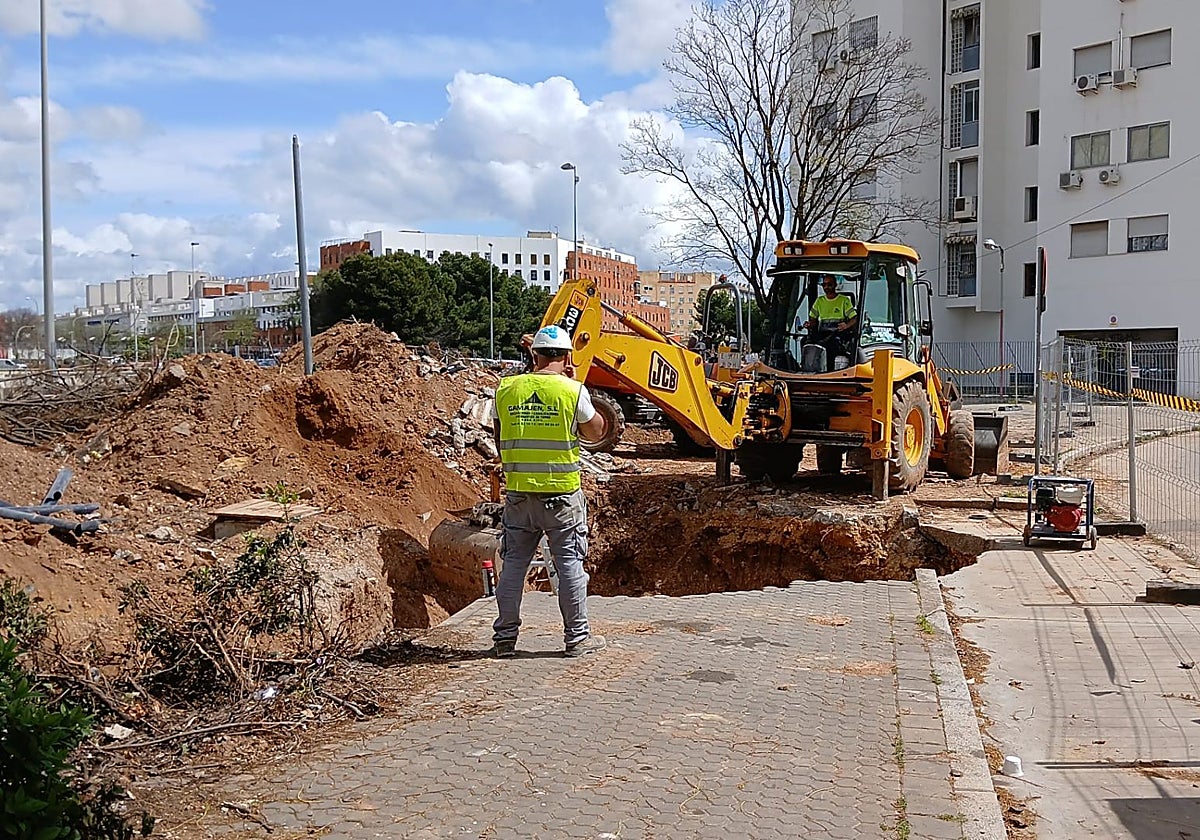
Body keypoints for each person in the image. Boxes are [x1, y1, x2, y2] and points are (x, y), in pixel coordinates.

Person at [491, 324, 607, 659]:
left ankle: (504, 640)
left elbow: (500, 437)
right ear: (568, 356)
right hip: (560, 496)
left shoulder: (506, 389)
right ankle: (577, 639)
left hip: (519, 494)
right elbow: (596, 431)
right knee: (569, 563)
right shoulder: (571, 391)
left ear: (534, 353)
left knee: (513, 563)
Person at [806, 274, 858, 368]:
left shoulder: (844, 300)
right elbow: (813, 319)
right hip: (822, 333)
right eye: (824, 285)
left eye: (829, 284)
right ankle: (809, 369)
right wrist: (809, 324)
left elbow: (854, 319)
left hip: (838, 334)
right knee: (806, 342)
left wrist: (846, 325)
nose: (826, 287)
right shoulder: (819, 301)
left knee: (832, 345)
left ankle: (830, 370)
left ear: (835, 285)